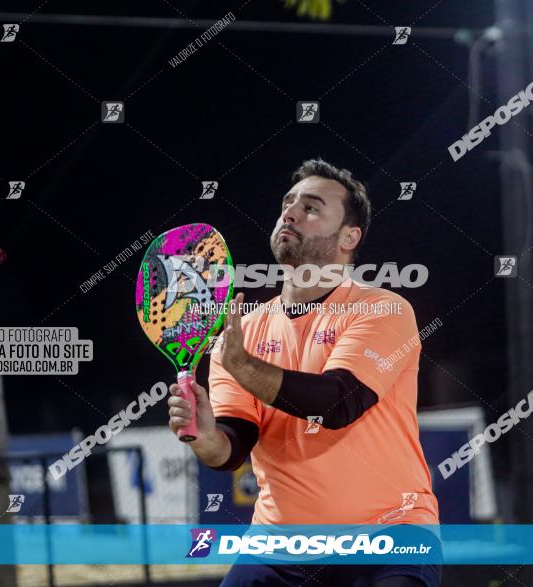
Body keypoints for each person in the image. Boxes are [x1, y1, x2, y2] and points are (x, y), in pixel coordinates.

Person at [168, 159, 441, 586]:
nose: (290, 213)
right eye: (288, 204)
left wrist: (244, 365)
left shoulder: (383, 309)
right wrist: (207, 440)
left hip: (389, 533)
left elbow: (337, 403)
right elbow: (234, 447)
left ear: (350, 237)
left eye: (312, 208)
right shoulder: (241, 335)